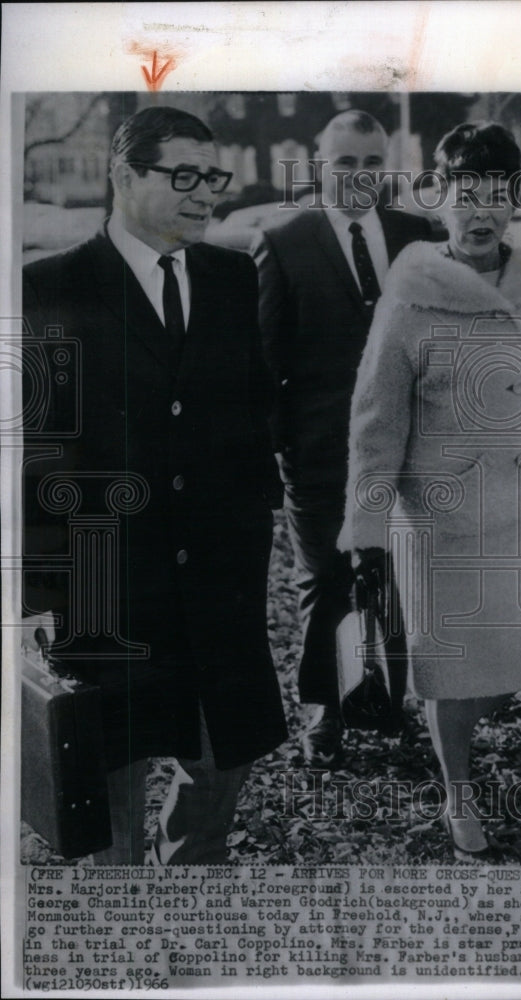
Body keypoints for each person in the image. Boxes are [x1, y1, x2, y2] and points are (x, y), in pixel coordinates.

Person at [22, 106, 287, 865]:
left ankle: (188, 885)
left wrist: (250, 532)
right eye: (184, 177)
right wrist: (38, 598)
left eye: (214, 177)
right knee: (110, 784)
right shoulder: (51, 285)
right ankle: (127, 933)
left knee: (222, 760)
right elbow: (37, 457)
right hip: (107, 586)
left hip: (216, 579)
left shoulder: (233, 277)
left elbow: (252, 410)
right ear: (124, 175)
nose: (207, 194)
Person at [338, 122, 521, 854]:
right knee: (451, 671)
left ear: (514, 199)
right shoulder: (411, 296)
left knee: (517, 661)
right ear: (440, 199)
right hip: (442, 518)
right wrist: (366, 528)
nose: (479, 214)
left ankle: (468, 749)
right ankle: (459, 792)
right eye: (465, 196)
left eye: (496, 196)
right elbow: (376, 422)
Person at [253, 110, 432, 766]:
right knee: (325, 578)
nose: (359, 177)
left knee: (394, 577)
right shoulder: (283, 241)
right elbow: (266, 360)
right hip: (319, 450)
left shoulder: (418, 236)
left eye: (371, 163)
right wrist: (282, 451)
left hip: (410, 446)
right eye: (345, 163)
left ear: (385, 166)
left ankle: (387, 700)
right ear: (319, 164)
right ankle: (324, 710)